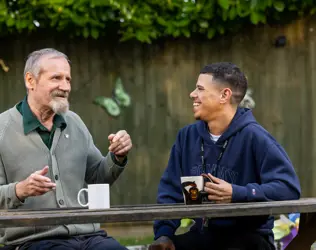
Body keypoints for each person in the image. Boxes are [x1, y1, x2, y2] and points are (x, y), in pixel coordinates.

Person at [149, 62, 301, 250]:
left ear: (224, 95)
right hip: (203, 235)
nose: (192, 94)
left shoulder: (256, 137)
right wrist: (164, 234)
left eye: (200, 89)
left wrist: (237, 193)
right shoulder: (186, 137)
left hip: (249, 239)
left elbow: (288, 189)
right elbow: (170, 193)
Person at [0, 48, 132, 250]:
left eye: (68, 79)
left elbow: (98, 177)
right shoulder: (3, 129)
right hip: (33, 241)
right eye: (56, 78)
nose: (65, 86)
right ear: (30, 81)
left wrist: (117, 156)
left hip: (89, 237)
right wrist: (20, 190)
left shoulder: (74, 122)